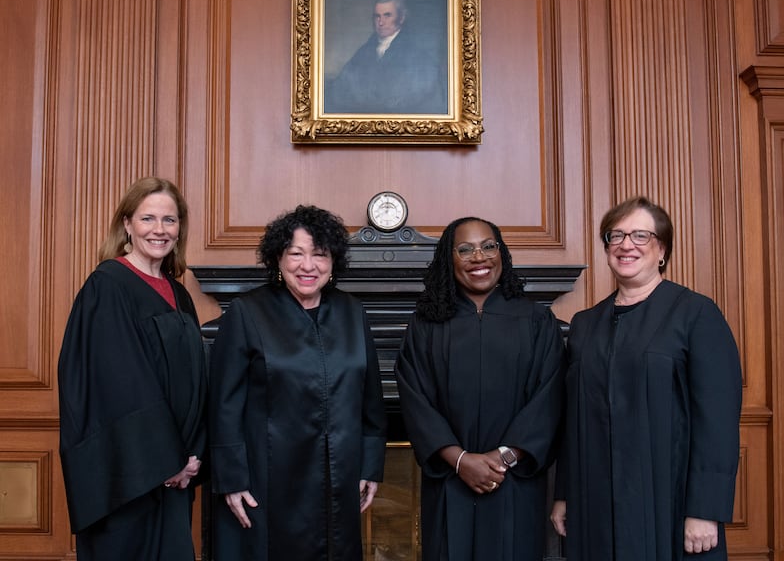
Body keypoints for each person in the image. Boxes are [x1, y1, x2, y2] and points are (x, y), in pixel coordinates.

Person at [550, 196, 743, 560]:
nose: (626, 245)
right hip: (595, 499)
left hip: (669, 497)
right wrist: (565, 494)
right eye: (616, 235)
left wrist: (705, 510)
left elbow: (716, 422)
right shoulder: (585, 325)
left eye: (640, 235)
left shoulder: (696, 314)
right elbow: (572, 420)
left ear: (662, 249)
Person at [208, 205, 387, 560]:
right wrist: (232, 480)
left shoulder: (353, 312)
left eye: (319, 255)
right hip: (267, 479)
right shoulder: (247, 312)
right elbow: (223, 405)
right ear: (278, 258)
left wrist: (370, 466)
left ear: (333, 261)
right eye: (296, 254)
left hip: (340, 475)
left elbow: (371, 401)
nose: (308, 266)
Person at [395, 216, 566, 560]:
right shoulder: (427, 324)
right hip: (449, 481)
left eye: (489, 246)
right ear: (449, 258)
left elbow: (549, 397)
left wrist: (503, 457)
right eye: (465, 249)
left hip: (514, 482)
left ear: (502, 252)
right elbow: (416, 399)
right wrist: (459, 460)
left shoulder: (535, 320)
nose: (479, 257)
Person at [58, 177, 207, 560]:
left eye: (170, 221)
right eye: (148, 218)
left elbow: (196, 381)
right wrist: (167, 459)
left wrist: (194, 454)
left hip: (176, 471)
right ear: (126, 224)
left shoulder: (178, 294)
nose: (159, 230)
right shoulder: (108, 286)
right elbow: (119, 383)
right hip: (131, 475)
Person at [325, 0, 447, 114]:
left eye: (387, 15)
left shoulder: (416, 55)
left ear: (401, 18)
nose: (381, 22)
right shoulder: (364, 52)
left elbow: (419, 97)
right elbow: (340, 88)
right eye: (377, 16)